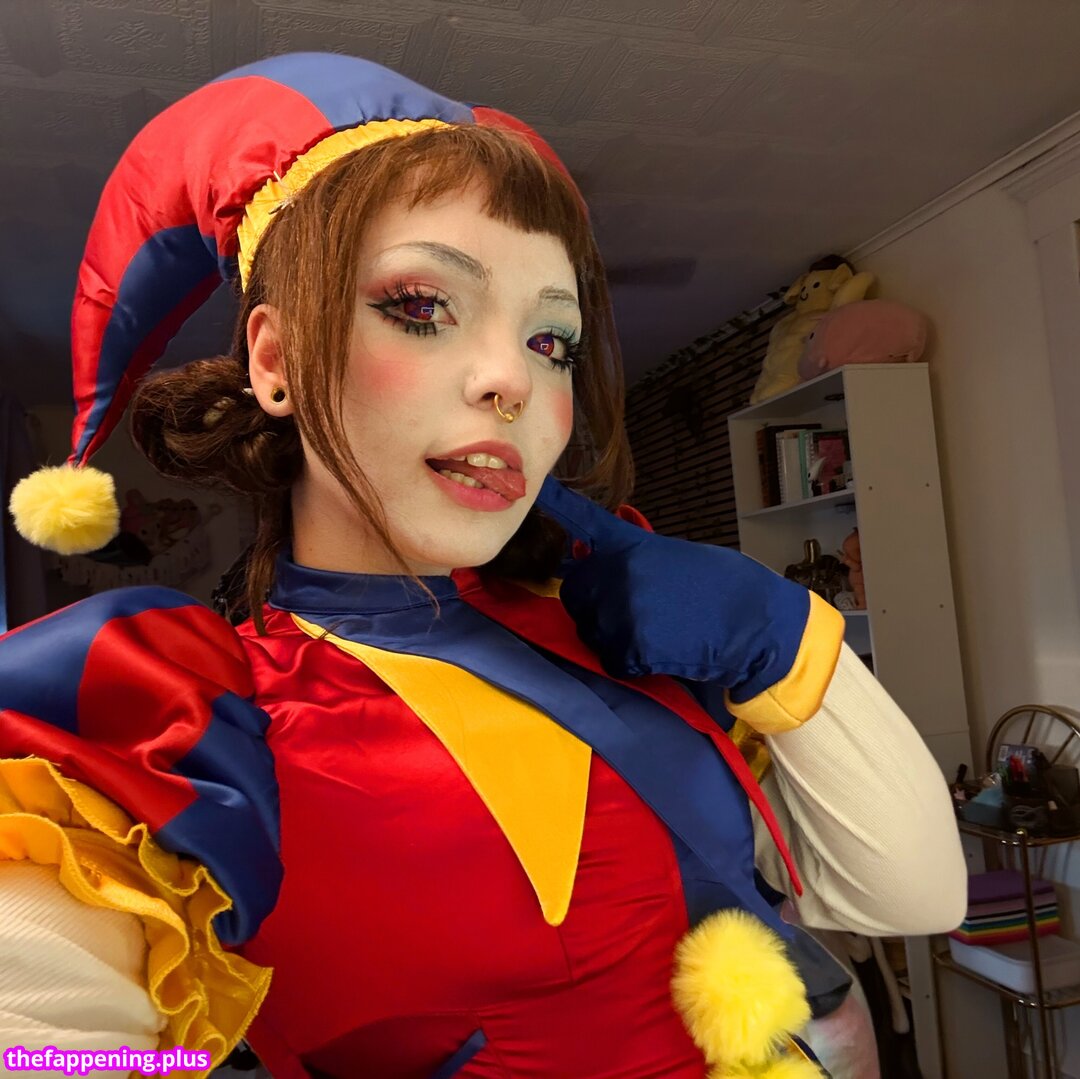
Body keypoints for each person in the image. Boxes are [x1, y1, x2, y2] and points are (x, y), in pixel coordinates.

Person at [0, 53, 965, 1079]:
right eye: (422, 306)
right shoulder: (197, 717)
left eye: (552, 340)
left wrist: (774, 633)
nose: (512, 378)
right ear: (275, 361)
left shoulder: (613, 625)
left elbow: (914, 896)